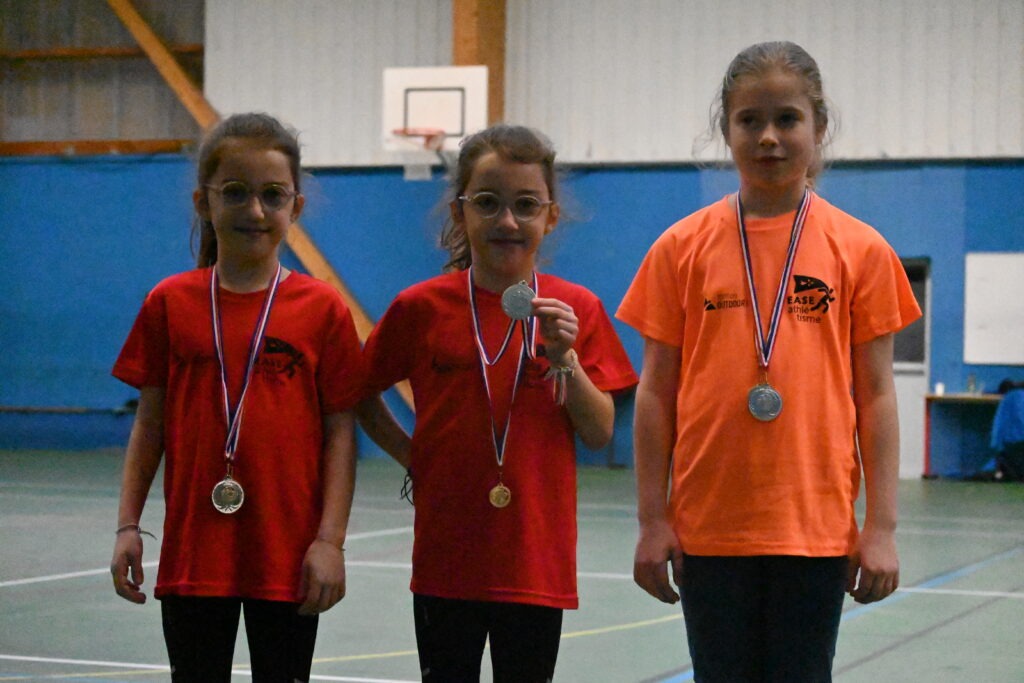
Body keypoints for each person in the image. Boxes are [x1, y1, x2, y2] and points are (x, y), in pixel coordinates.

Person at [616, 42, 922, 682]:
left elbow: (876, 397)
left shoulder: (862, 250)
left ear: (819, 126)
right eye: (749, 120)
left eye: (787, 119)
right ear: (725, 128)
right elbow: (655, 394)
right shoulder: (679, 248)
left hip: (815, 529)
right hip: (709, 529)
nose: (768, 137)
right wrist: (652, 519)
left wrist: (882, 527)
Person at [356, 124, 637, 682]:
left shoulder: (576, 308)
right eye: (487, 203)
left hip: (535, 562)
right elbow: (358, 390)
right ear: (460, 212)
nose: (507, 221)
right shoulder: (421, 308)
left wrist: (564, 357)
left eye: (526, 205)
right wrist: (412, 455)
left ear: (550, 217)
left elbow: (599, 431)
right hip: (447, 560)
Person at [109, 112, 364, 682]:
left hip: (288, 555)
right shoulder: (169, 303)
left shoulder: (322, 309)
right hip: (195, 555)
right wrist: (128, 525)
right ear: (204, 201)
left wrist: (330, 541)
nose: (255, 210)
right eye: (235, 193)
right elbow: (149, 425)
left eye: (273, 195)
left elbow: (340, 432)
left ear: (296, 207)